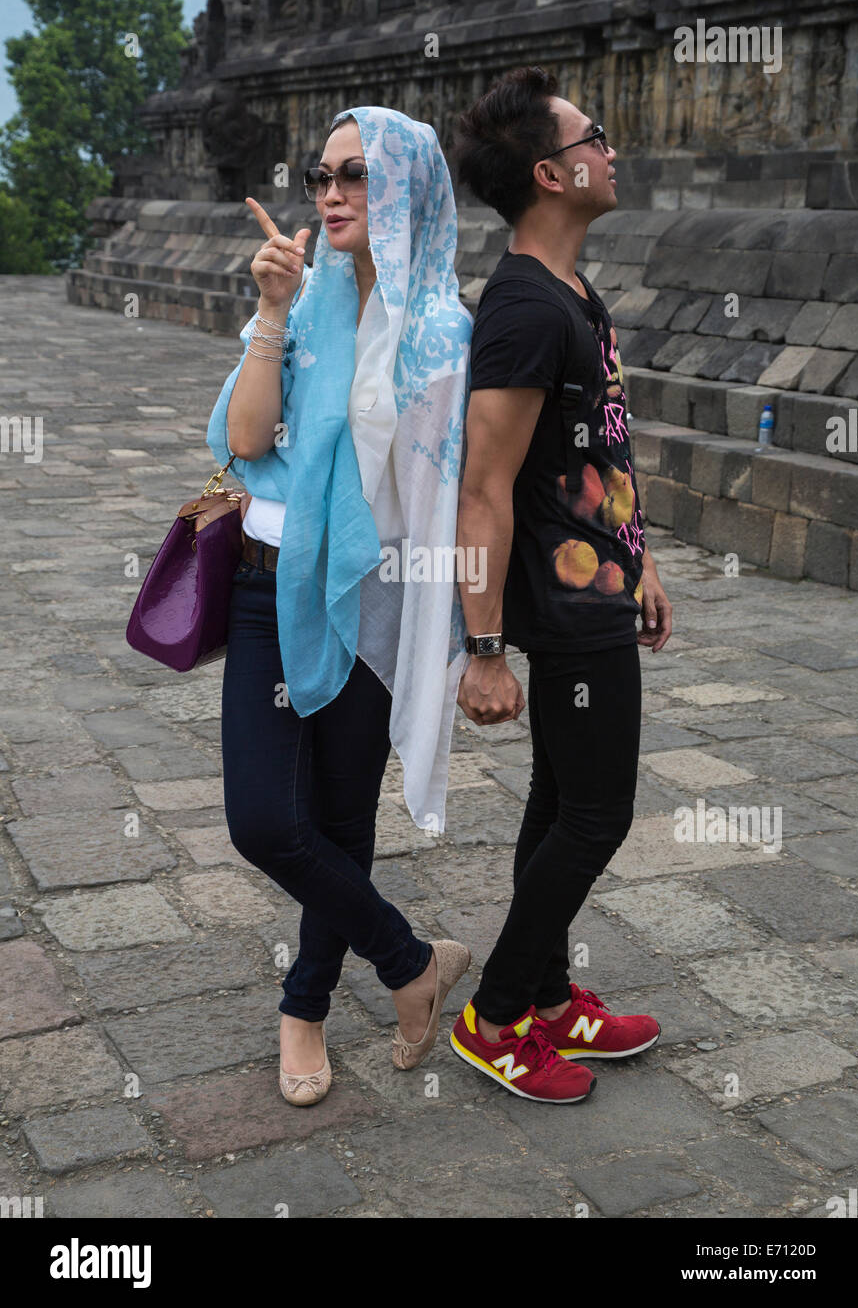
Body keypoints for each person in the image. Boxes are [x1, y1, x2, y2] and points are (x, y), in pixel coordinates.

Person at [205, 106, 474, 1106]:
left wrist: (472, 636)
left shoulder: (443, 332)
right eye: (321, 174)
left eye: (355, 174)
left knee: (338, 818)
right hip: (266, 587)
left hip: (376, 595)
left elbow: (456, 493)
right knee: (264, 821)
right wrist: (273, 312)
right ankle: (411, 962)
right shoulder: (306, 296)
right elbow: (242, 438)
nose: (330, 193)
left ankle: (304, 1008)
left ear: (406, 184)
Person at [448, 65, 673, 1103]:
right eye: (594, 135)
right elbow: (481, 489)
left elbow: (597, 452)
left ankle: (546, 998)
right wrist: (482, 649)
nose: (609, 148)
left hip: (600, 585)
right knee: (596, 815)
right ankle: (495, 1017)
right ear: (550, 170)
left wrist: (643, 560)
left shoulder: (576, 293)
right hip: (557, 605)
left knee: (557, 799)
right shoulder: (523, 309)